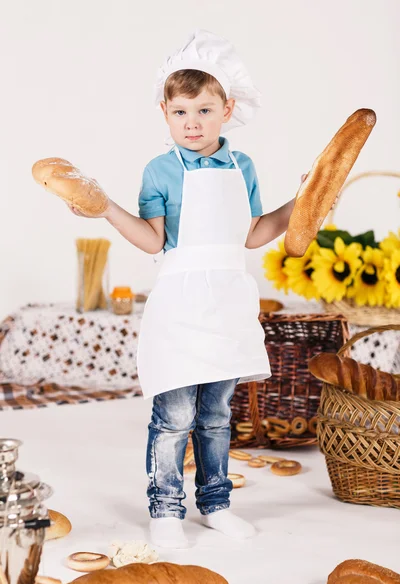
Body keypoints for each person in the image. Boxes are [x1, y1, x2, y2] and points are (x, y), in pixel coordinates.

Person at [70, 30, 304, 549]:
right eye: (180, 112)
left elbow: (253, 234)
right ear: (165, 112)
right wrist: (105, 207)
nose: (192, 123)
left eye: (203, 110)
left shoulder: (241, 167)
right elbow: (153, 239)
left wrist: (303, 203)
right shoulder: (160, 170)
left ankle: (216, 504)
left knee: (218, 415)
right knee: (174, 417)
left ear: (227, 108)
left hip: (227, 301)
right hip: (179, 304)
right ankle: (166, 509)